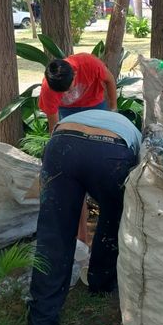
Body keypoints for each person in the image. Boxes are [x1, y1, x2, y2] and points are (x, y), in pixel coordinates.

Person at [27, 110, 141, 325]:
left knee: (55, 234)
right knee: (113, 219)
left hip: (62, 145)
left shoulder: (77, 118)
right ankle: (101, 283)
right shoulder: (135, 134)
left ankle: (41, 323)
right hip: (112, 151)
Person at [38, 53, 119, 243]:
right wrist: (57, 151)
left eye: (69, 88)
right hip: (69, 114)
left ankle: (108, 228)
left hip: (96, 106)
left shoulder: (89, 64)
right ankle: (82, 237)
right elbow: (54, 126)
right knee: (73, 172)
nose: (66, 94)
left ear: (74, 73)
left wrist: (113, 110)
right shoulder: (48, 89)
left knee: (100, 162)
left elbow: (110, 80)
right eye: (62, 93)